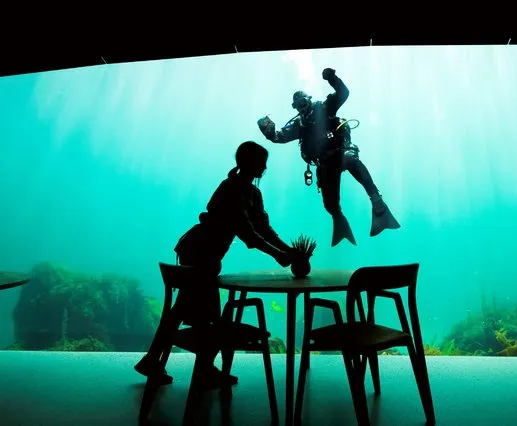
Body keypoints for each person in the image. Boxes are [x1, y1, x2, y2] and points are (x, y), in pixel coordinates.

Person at [134, 141, 295, 388]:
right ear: (249, 162)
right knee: (208, 318)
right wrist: (279, 255)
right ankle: (199, 369)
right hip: (200, 255)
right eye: (261, 161)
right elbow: (248, 233)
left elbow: (263, 228)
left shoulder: (252, 193)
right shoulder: (231, 188)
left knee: (186, 313)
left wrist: (289, 251)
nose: (264, 167)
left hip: (204, 256)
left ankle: (161, 361)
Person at [257, 67, 400, 247]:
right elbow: (280, 137)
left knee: (351, 159)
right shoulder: (298, 125)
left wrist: (332, 78)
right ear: (295, 108)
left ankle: (377, 201)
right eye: (297, 105)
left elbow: (343, 93)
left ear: (309, 100)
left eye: (303, 102)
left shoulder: (325, 107)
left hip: (341, 153)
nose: (302, 107)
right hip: (324, 164)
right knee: (330, 205)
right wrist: (268, 132)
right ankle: (339, 220)